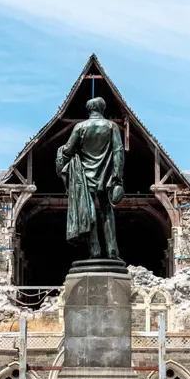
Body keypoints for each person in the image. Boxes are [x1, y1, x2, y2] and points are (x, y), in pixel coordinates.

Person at [56, 96, 124, 259]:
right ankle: (112, 249)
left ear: (89, 110)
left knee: (89, 209)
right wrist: (118, 176)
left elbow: (68, 150)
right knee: (107, 211)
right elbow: (118, 151)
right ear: (102, 109)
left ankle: (94, 250)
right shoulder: (111, 126)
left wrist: (60, 153)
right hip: (106, 175)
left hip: (85, 176)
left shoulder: (80, 127)